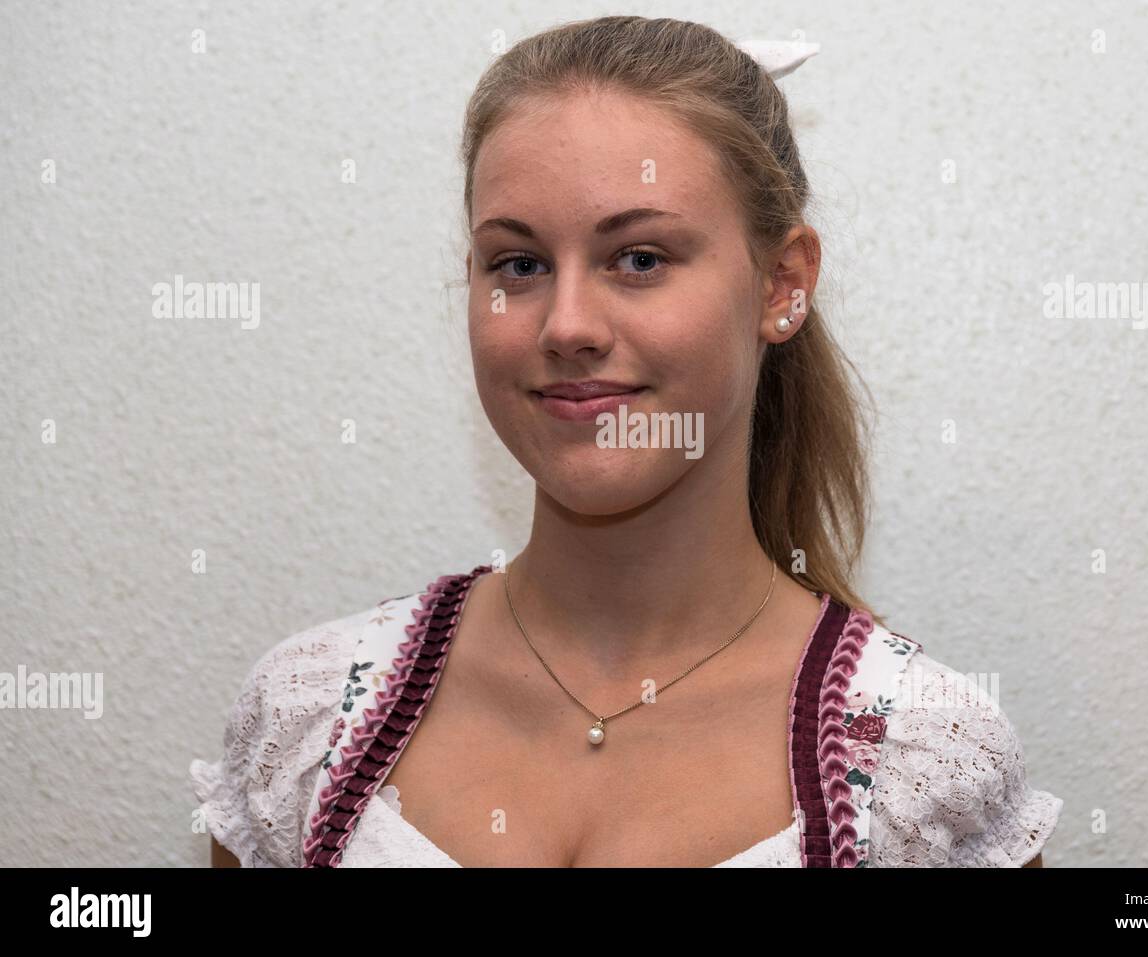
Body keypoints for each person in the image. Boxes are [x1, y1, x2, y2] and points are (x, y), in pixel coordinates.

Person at [190, 15, 1062, 868]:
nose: (567, 325)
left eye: (639, 258)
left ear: (782, 284)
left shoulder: (922, 765)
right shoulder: (304, 720)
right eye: (518, 264)